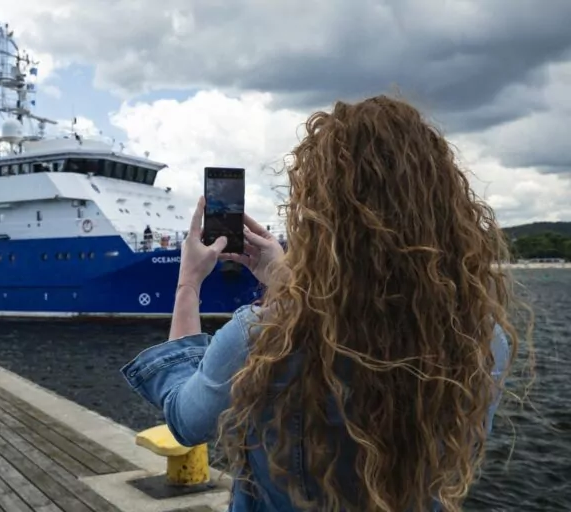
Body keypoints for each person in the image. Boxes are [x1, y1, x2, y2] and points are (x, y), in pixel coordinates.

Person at [122, 96, 531, 511]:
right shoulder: (482, 339)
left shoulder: (260, 336)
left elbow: (185, 420)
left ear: (320, 218)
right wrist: (287, 282)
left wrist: (188, 283)